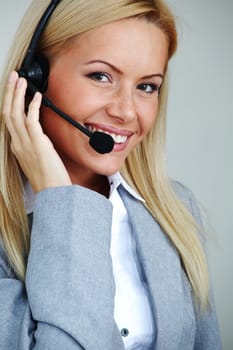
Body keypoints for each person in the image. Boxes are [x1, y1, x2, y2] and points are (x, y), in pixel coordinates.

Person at [0, 0, 221, 349]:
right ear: (34, 79)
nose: (126, 111)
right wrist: (62, 203)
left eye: (147, 86)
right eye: (101, 76)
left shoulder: (177, 210)